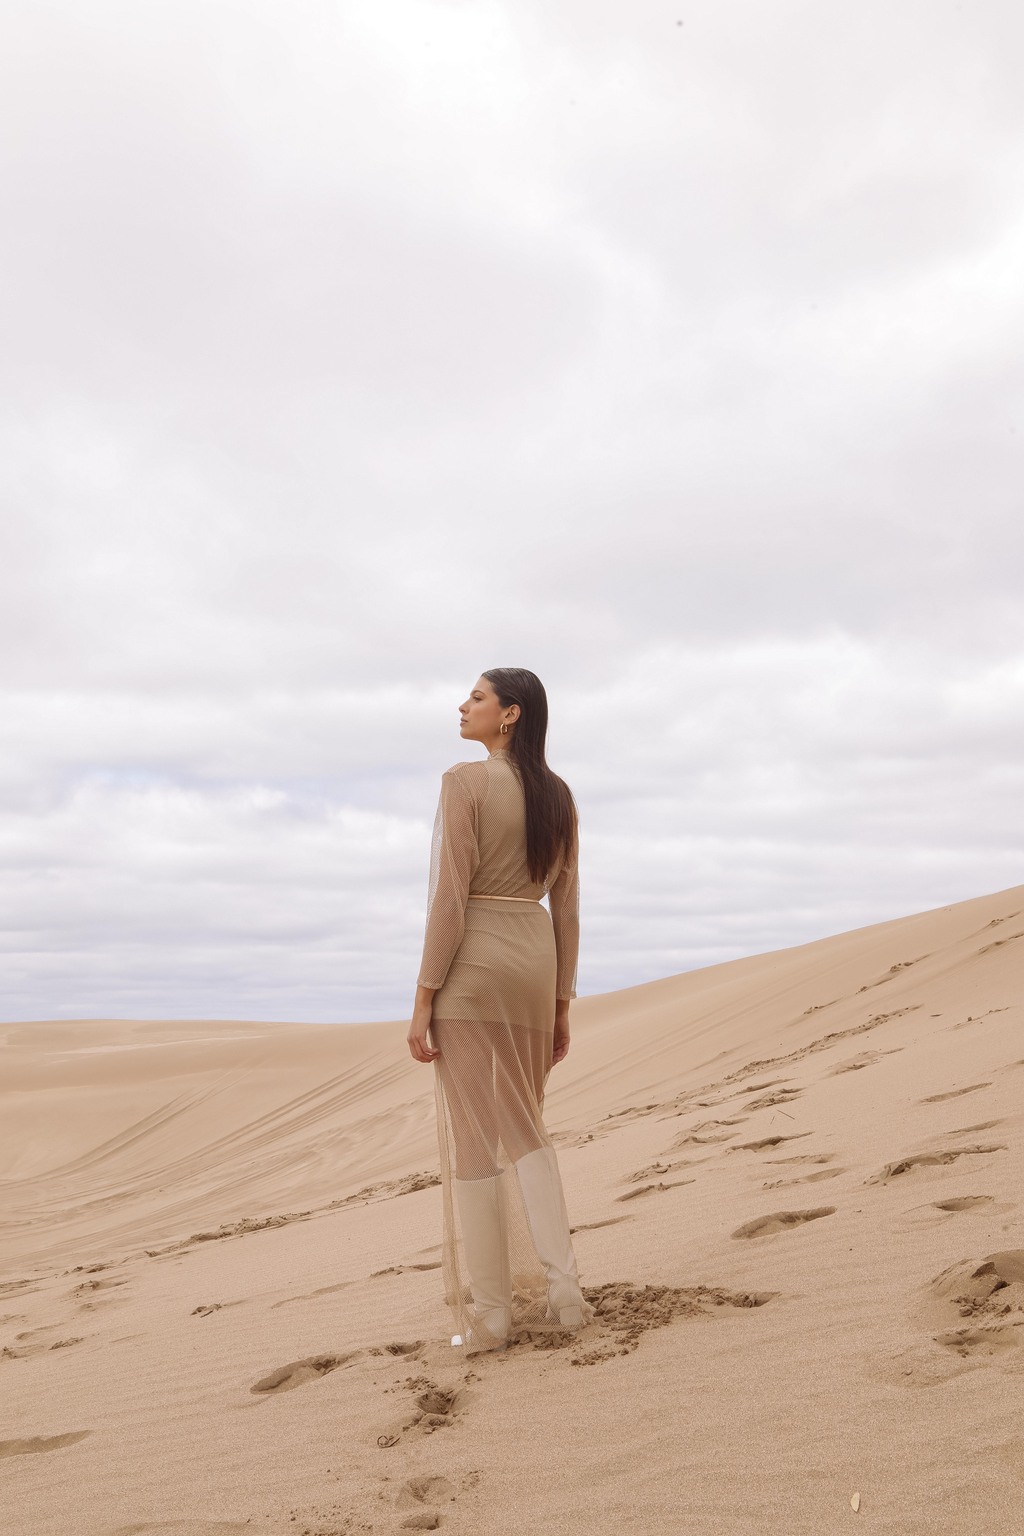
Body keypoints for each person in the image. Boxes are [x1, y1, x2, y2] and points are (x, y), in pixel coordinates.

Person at [407, 667, 590, 1353]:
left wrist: (424, 997)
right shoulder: (558, 795)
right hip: (534, 965)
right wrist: (562, 1004)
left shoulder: (465, 782)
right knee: (527, 1126)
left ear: (510, 714)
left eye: (477, 697)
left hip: (476, 966)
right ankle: (564, 1295)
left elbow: (450, 897)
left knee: (475, 1137)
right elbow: (567, 909)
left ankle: (491, 1316)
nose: (463, 706)